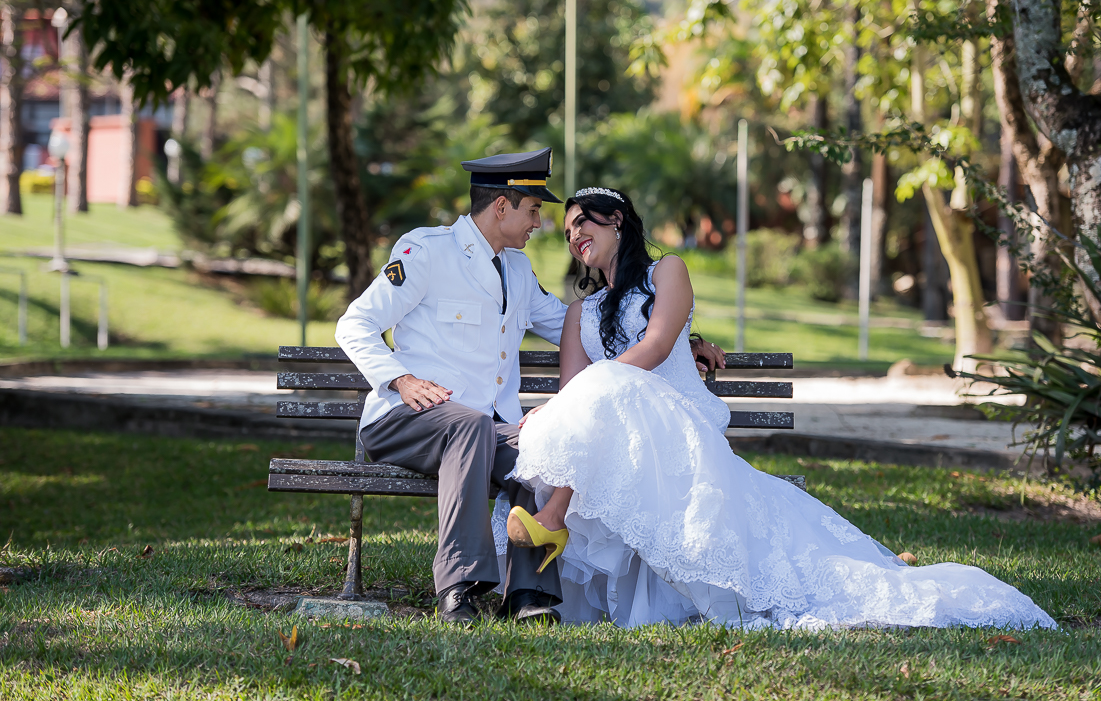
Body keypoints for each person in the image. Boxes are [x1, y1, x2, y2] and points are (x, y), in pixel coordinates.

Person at [501, 187, 1058, 630]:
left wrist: (602, 387)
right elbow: (575, 389)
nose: (574, 235)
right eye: (568, 229)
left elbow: (655, 345)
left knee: (605, 388)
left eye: (584, 223)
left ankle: (553, 520)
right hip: (618, 440)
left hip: (676, 427)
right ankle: (549, 528)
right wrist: (557, 412)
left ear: (617, 221)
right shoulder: (581, 313)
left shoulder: (666, 270)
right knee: (592, 394)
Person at [335, 150, 726, 626]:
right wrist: (400, 378)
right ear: (502, 206)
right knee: (473, 426)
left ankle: (527, 595)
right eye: (534, 209)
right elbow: (355, 323)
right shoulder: (426, 251)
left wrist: (684, 336)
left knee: (539, 450)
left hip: (479, 429)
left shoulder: (517, 271)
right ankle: (458, 585)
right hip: (404, 418)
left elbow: (582, 326)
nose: (539, 224)